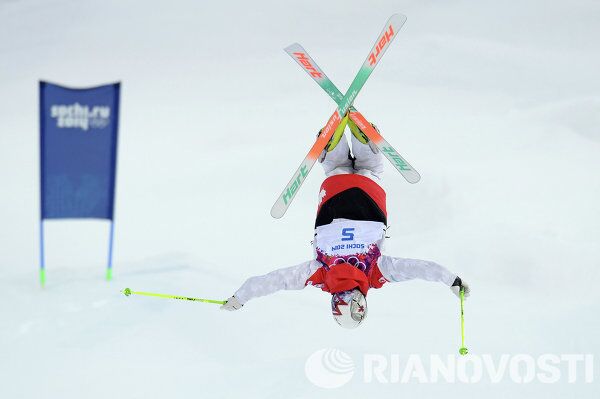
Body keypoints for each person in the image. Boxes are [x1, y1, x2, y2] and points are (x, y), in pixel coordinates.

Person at [221, 115, 470, 328]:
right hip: (333, 204)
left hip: (369, 203)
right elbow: (275, 280)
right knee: (336, 170)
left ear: (360, 304)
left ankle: (364, 141)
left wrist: (452, 281)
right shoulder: (319, 275)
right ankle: (332, 145)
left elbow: (418, 268)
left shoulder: (376, 273)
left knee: (369, 171)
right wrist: (240, 297)